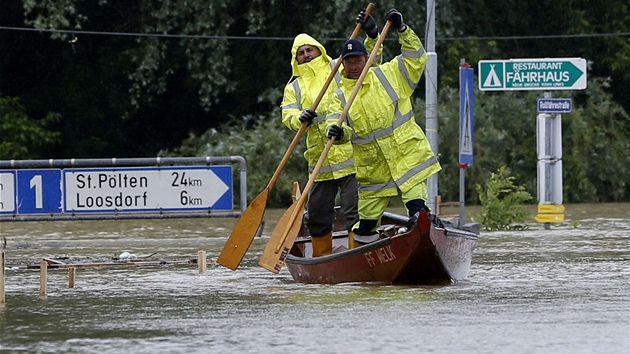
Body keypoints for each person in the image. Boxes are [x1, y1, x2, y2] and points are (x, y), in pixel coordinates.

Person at [326, 9, 442, 247]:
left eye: (359, 60)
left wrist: (403, 30)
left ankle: (423, 243)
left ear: (367, 58)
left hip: (407, 157)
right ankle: (365, 264)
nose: (355, 66)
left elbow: (416, 58)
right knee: (366, 225)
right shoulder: (340, 96)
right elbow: (338, 124)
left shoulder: (388, 73)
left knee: (417, 210)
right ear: (342, 65)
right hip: (374, 171)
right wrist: (337, 133)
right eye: (349, 62)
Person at [280, 10, 382, 256]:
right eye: (301, 52)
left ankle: (357, 255)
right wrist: (299, 118)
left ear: (318, 50)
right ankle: (322, 259)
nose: (306, 55)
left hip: (349, 154)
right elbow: (288, 115)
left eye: (309, 50)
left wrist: (371, 32)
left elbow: (368, 60)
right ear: (296, 58)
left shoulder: (337, 67)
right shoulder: (293, 86)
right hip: (320, 161)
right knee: (317, 214)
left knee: (354, 210)